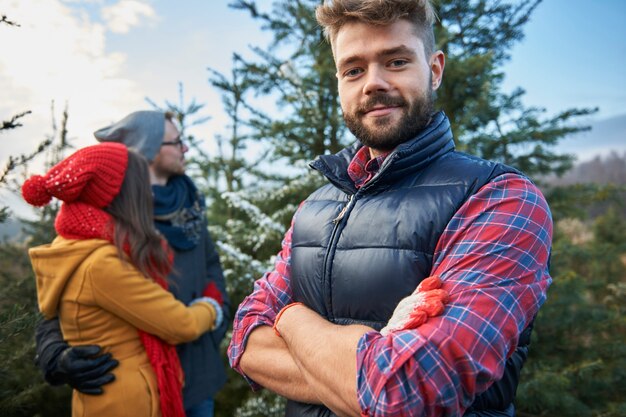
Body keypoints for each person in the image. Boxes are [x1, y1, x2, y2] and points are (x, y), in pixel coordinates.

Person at [227, 1, 553, 417]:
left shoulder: (499, 198)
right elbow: (244, 340)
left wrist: (290, 321)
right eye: (353, 70)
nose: (373, 84)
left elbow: (404, 394)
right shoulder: (315, 208)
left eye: (396, 61)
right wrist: (364, 362)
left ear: (434, 69)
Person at [33, 111, 230, 417]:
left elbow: (212, 267)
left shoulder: (190, 204)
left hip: (196, 374)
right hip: (138, 381)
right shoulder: (104, 212)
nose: (185, 148)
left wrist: (215, 322)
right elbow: (60, 289)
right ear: (147, 148)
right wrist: (56, 356)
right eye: (176, 141)